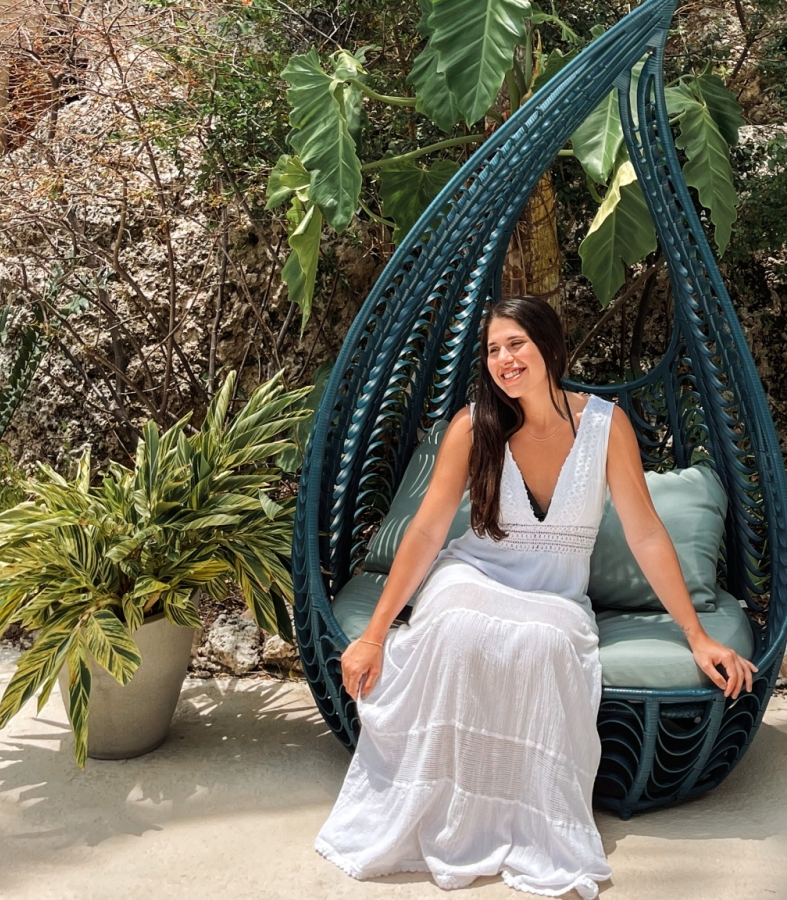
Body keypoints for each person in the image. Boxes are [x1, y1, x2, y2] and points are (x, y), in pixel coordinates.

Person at [315, 295, 755, 898]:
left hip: (556, 598)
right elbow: (425, 530)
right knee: (459, 629)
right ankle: (450, 816)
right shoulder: (474, 425)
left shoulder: (604, 425)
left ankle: (523, 820)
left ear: (550, 345)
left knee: (547, 646)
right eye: (493, 349)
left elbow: (646, 531)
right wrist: (373, 636)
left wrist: (697, 635)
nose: (503, 359)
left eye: (515, 343)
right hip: (472, 576)